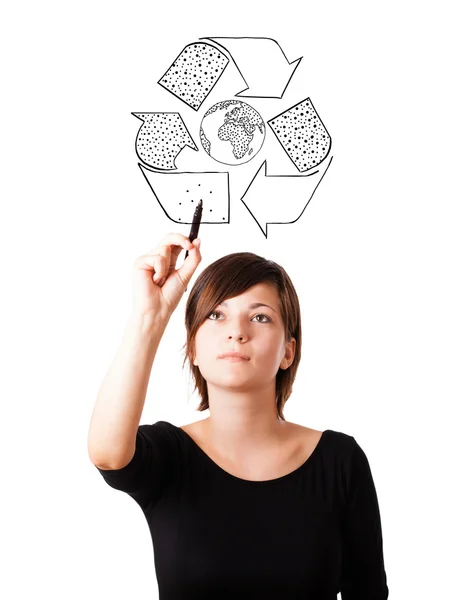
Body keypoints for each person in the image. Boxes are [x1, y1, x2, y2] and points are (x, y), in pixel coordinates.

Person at [88, 232, 389, 599]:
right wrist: (150, 318)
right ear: (193, 348)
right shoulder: (170, 456)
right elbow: (107, 453)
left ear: (288, 352)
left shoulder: (340, 461)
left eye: (260, 317)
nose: (236, 332)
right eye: (216, 315)